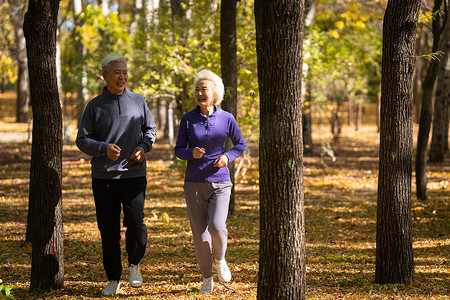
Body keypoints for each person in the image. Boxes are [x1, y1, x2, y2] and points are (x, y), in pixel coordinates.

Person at [76, 53, 157, 296]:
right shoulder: (95, 105)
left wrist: (144, 147)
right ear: (105, 76)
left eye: (124, 72)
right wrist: (103, 149)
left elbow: (150, 130)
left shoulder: (138, 101)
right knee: (108, 230)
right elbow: (82, 139)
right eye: (116, 73)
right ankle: (113, 277)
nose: (122, 77)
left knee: (136, 223)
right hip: (104, 178)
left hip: (134, 175)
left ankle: (134, 263)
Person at [174, 69, 246, 293]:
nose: (199, 93)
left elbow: (240, 145)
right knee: (200, 235)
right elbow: (178, 149)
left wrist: (227, 157)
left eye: (203, 89)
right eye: (196, 89)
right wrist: (190, 154)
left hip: (220, 182)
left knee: (216, 226)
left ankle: (221, 260)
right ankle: (207, 278)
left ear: (214, 93)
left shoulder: (227, 118)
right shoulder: (187, 119)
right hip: (194, 183)